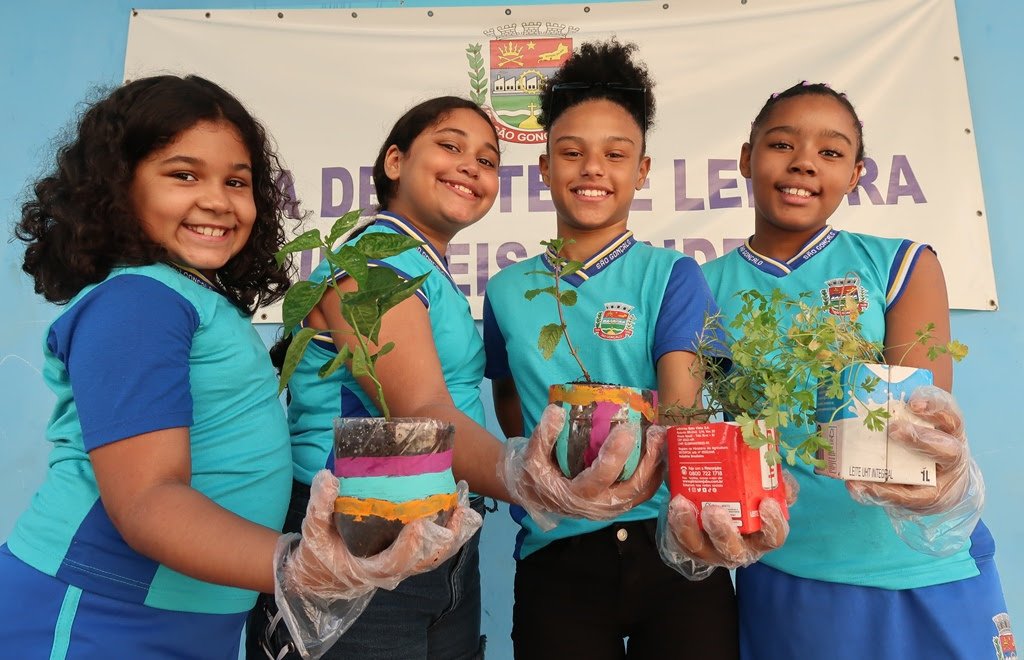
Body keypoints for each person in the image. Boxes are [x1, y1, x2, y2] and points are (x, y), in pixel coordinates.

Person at [0, 75, 480, 660]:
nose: (217, 200)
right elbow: (148, 497)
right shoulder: (138, 302)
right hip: (100, 610)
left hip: (188, 611)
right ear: (118, 185)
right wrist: (298, 563)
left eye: (236, 181)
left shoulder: (192, 297)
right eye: (183, 175)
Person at [694, 81, 1010, 658]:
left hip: (920, 567)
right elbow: (719, 435)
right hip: (790, 570)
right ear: (746, 157)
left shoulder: (900, 263)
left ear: (857, 174)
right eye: (782, 143)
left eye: (831, 152)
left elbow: (919, 427)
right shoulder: (699, 290)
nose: (804, 163)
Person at [482, 40, 741, 659]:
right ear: (544, 168)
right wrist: (557, 480)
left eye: (614, 155)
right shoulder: (507, 290)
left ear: (642, 171)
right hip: (557, 555)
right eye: (571, 153)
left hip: (672, 548)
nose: (592, 169)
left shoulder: (673, 276)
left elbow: (681, 415)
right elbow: (511, 401)